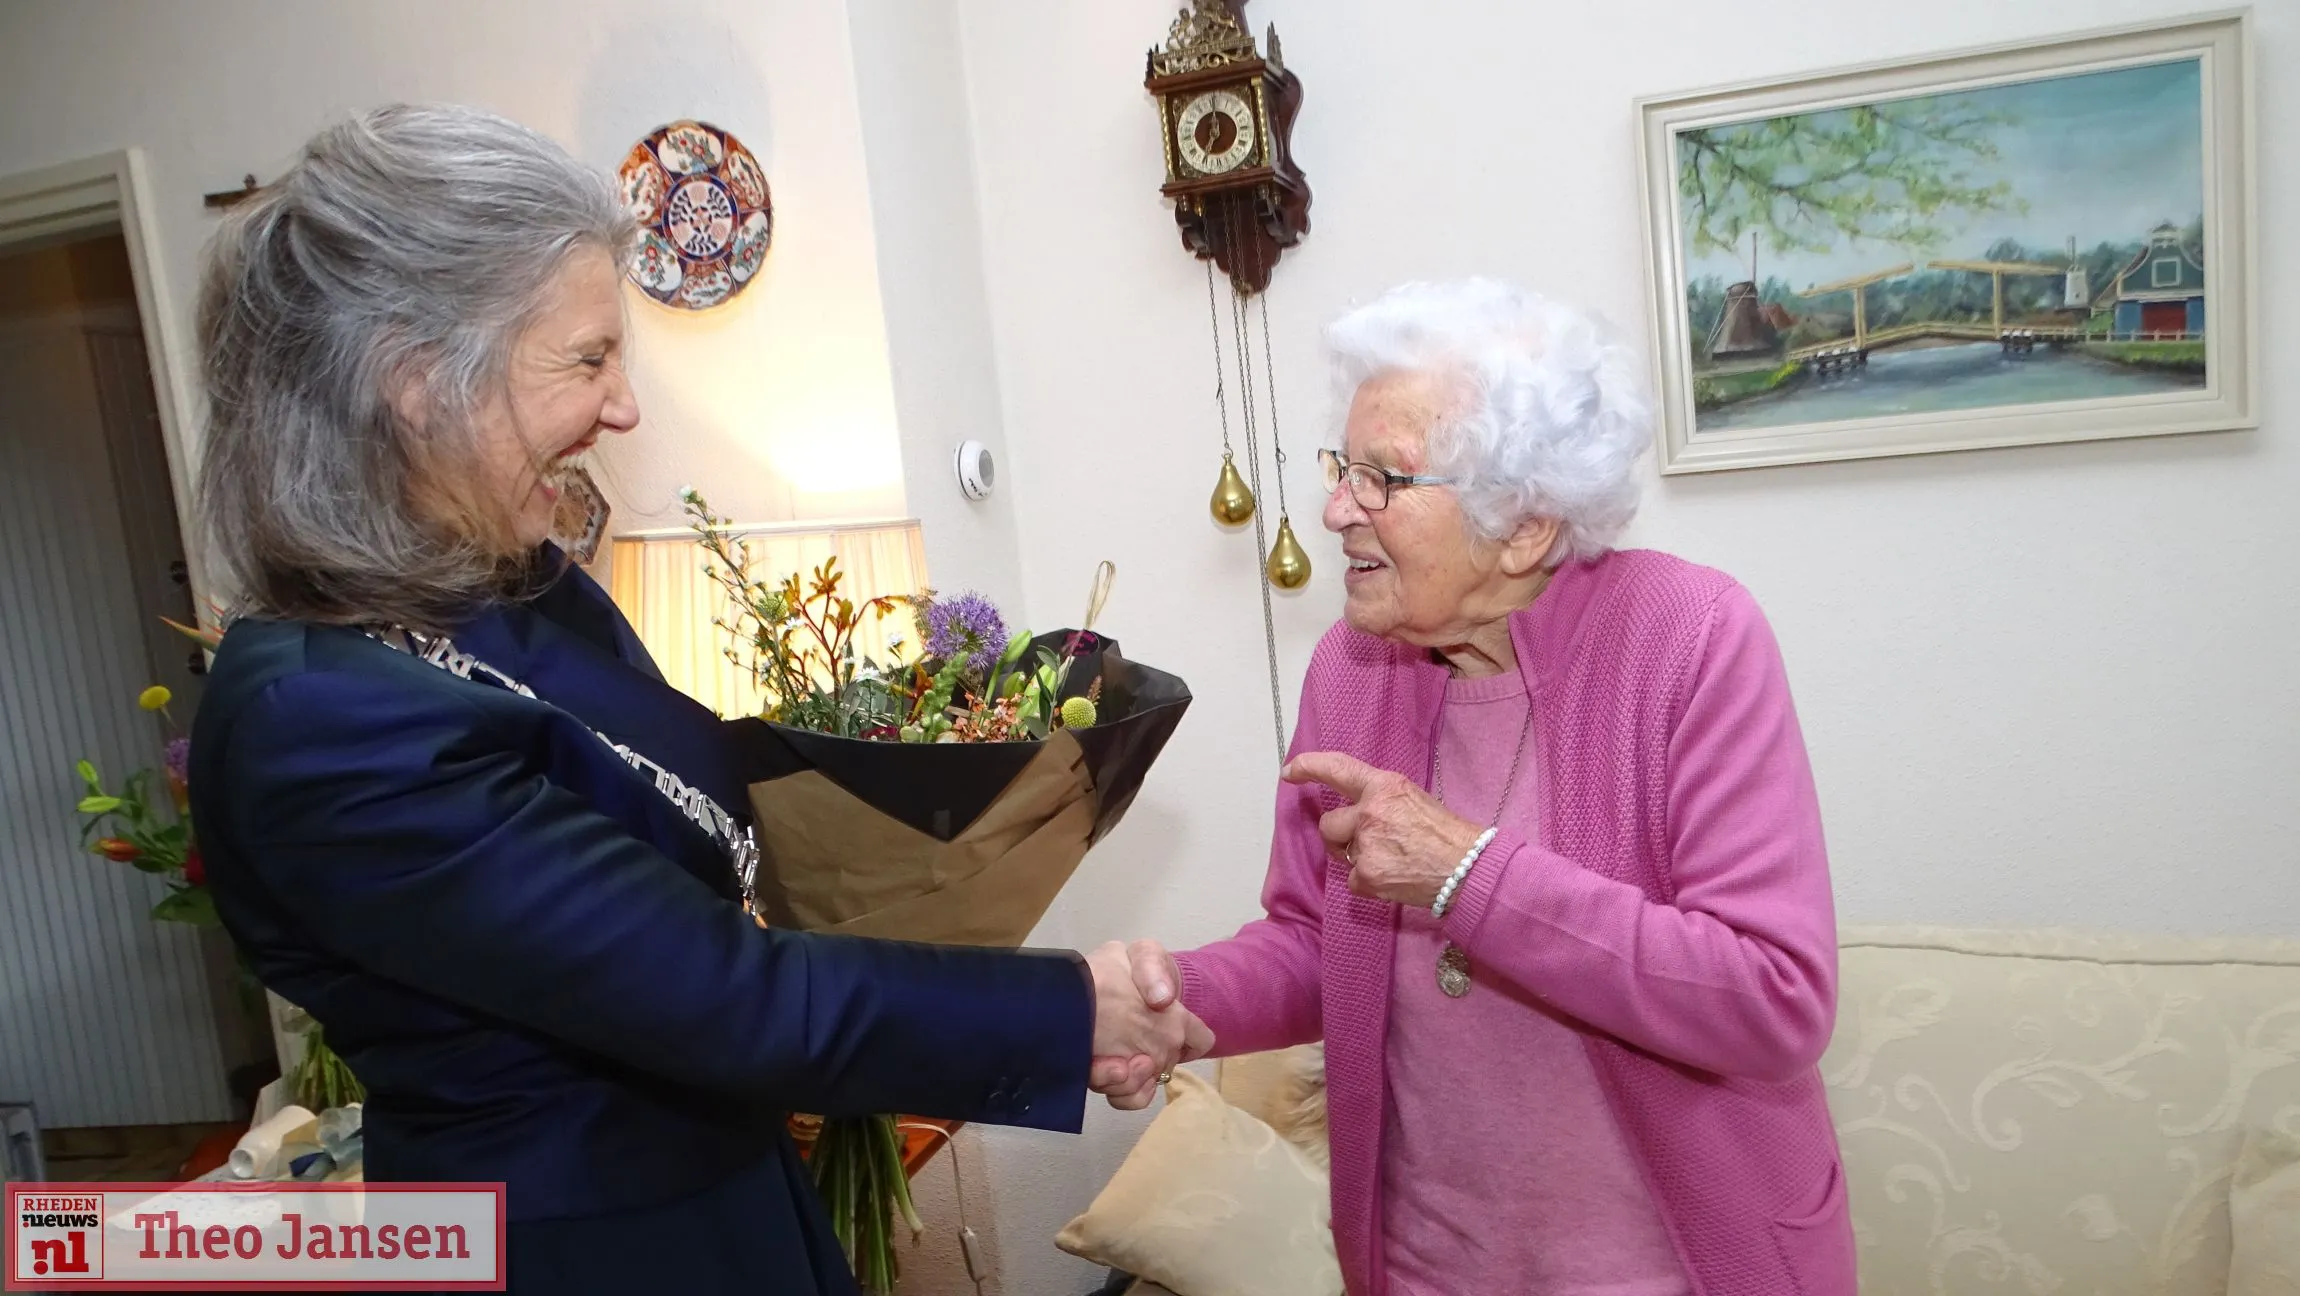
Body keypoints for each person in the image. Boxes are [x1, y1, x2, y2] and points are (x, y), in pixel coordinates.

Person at [186, 103, 1202, 1295]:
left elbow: (695, 834)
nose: (622, 409)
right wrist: (1068, 1013)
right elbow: (725, 995)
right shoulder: (320, 722)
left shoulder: (507, 593)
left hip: (727, 1196)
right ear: (418, 385)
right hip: (588, 1249)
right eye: (585, 359)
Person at [1122, 280, 1852, 1295]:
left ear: (1523, 527)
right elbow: (1312, 945)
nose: (1336, 508)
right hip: (1424, 1267)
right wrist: (1168, 1004)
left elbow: (1770, 997)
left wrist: (1466, 873)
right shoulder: (1349, 667)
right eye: (1341, 466)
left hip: (1671, 1273)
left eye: (1384, 478)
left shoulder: (1689, 639)